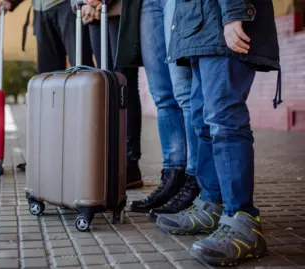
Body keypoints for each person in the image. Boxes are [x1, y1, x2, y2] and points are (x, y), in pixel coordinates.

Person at [154, 0, 281, 266]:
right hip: (200, 29)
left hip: (219, 21)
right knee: (203, 122)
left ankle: (243, 221)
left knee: (224, 122)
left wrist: (234, 12)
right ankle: (211, 205)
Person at [88, 0, 200, 214]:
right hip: (145, 3)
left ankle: (194, 178)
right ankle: (172, 174)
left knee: (183, 92)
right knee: (162, 95)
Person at [0, 0, 95, 172]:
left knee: (82, 76)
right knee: (46, 86)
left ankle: (88, 154)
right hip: (42, 11)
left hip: (69, 6)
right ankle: (46, 156)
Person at [70, 0, 144, 190]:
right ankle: (110, 160)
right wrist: (81, 2)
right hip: (93, 13)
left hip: (119, 10)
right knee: (107, 85)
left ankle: (129, 162)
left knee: (123, 83)